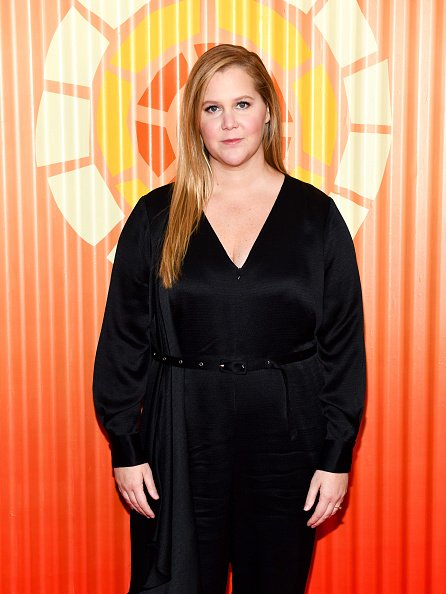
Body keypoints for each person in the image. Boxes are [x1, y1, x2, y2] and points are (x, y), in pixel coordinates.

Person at [93, 44, 366, 594]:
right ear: (195, 120)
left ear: (268, 110)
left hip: (288, 441)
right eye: (212, 108)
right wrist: (126, 446)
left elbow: (342, 344)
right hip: (180, 436)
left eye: (242, 103)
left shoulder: (317, 218)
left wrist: (336, 456)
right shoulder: (155, 216)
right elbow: (124, 339)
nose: (229, 122)